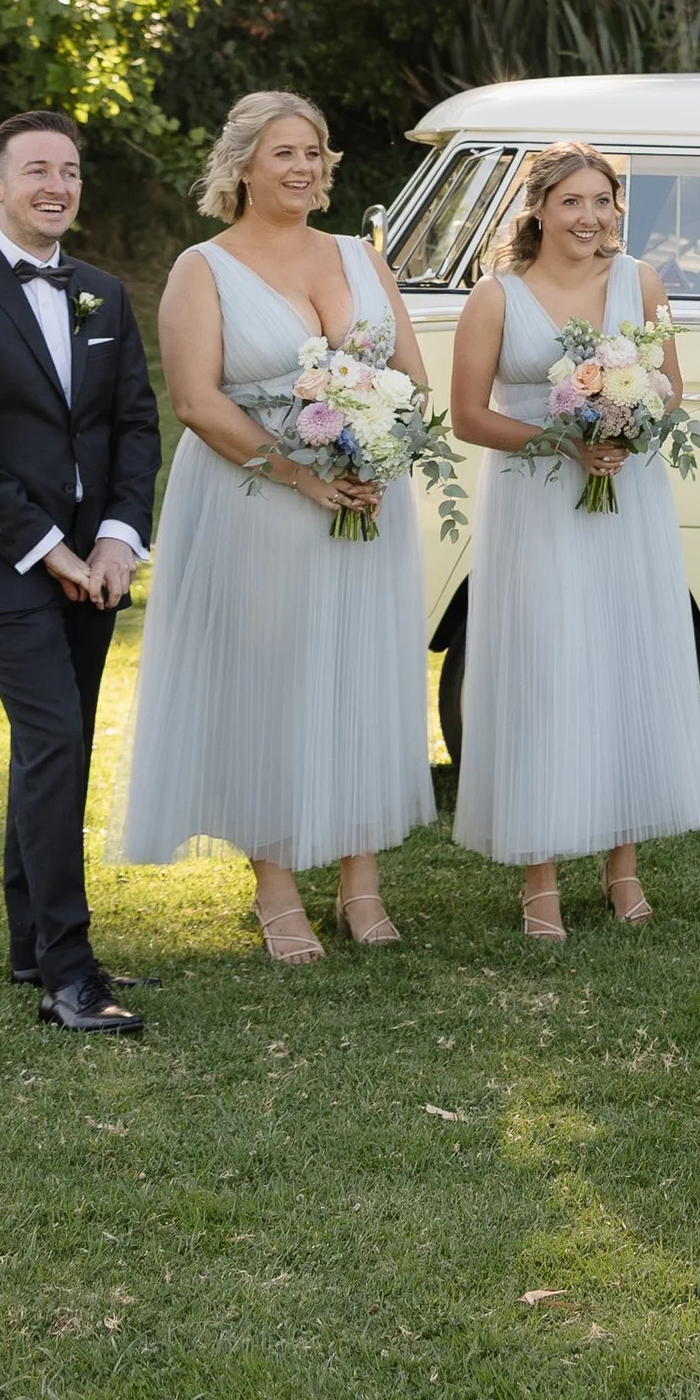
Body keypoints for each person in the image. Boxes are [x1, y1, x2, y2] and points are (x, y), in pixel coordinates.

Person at [115, 90, 433, 958]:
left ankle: (361, 886)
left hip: (364, 504)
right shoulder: (203, 267)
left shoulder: (363, 259)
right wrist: (298, 474)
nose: (303, 167)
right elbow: (195, 400)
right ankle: (278, 888)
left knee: (360, 674)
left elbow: (412, 376)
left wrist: (377, 453)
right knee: (269, 678)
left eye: (315, 152)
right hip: (256, 503)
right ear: (243, 165)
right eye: (285, 152)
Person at [0, 112, 161, 1036]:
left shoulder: (102, 293)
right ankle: (69, 974)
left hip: (96, 566)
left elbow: (135, 423)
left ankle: (29, 942)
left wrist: (118, 540)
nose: (58, 185)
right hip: (4, 562)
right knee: (54, 737)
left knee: (61, 745)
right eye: (37, 171)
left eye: (72, 171)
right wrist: (51, 550)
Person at [448, 141, 700, 936]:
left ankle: (623, 867)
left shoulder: (641, 282)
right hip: (536, 507)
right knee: (546, 670)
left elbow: (667, 390)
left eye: (604, 201)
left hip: (627, 505)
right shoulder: (497, 297)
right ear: (538, 209)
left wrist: (629, 432)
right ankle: (541, 879)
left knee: (624, 662)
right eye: (573, 202)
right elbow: (469, 415)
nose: (591, 217)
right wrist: (563, 443)